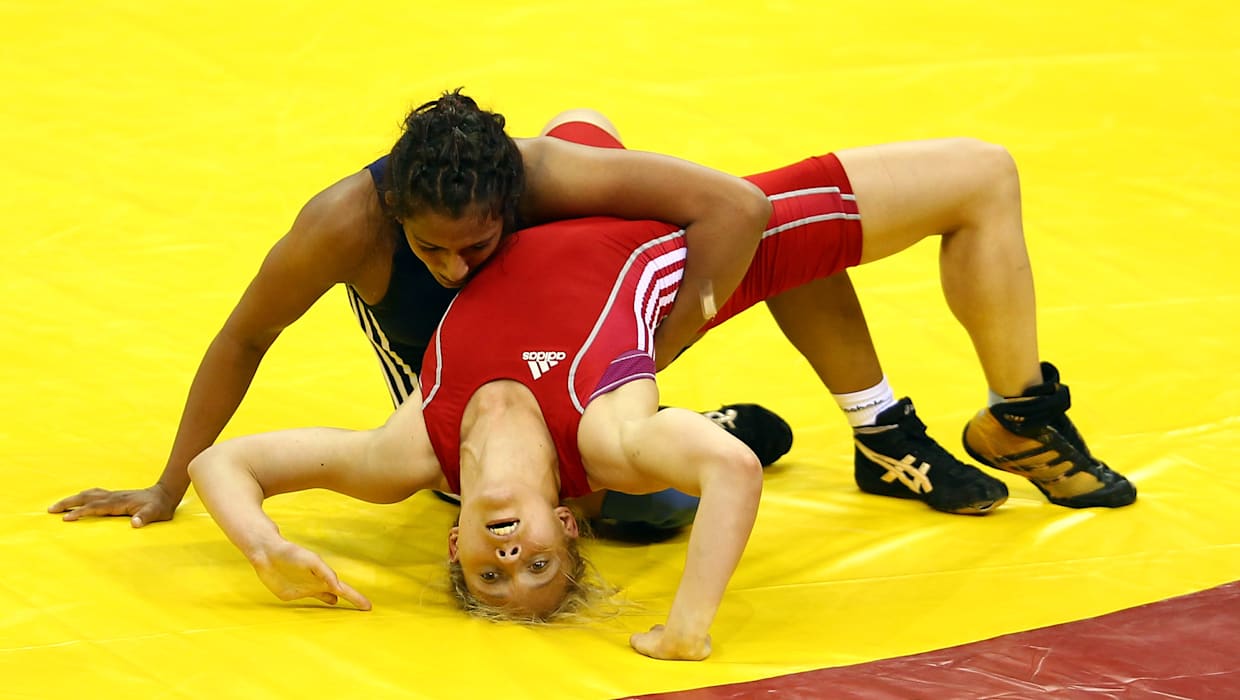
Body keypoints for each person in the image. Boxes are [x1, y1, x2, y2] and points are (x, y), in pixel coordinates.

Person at [189, 134, 1136, 661]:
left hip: (586, 184)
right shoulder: (609, 437)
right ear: (567, 521)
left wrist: (266, 545)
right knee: (983, 174)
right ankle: (1014, 418)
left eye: (491, 572)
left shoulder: (407, 455)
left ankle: (875, 425)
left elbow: (222, 463)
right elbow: (727, 472)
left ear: (458, 539)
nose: (513, 558)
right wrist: (688, 625)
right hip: (674, 246)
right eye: (538, 569)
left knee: (588, 128)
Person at [51, 90, 1010, 531]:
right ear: (393, 215)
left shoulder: (542, 175)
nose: (461, 267)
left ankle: (830, 424)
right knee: (626, 519)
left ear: (508, 199)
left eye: (481, 243)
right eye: (434, 250)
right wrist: (168, 483)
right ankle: (692, 438)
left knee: (757, 225)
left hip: (574, 355)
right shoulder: (340, 226)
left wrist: (660, 344)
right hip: (457, 398)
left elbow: (733, 205)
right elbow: (245, 334)